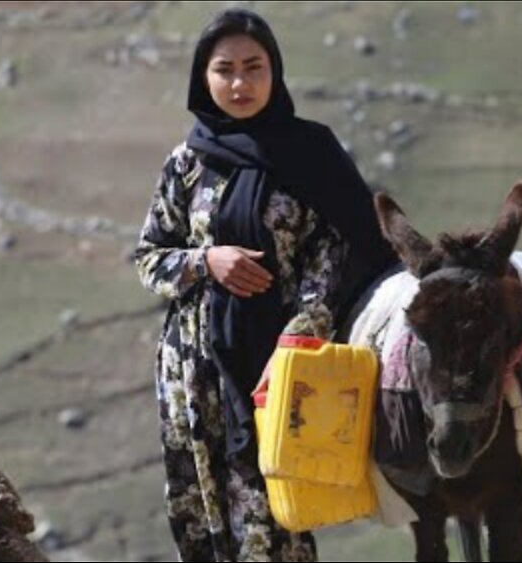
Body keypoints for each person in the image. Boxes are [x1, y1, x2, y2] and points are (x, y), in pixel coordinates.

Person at [134, 8, 394, 561]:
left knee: (277, 515)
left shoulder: (311, 154)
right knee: (201, 513)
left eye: (253, 67)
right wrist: (207, 261)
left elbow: (342, 251)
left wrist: (297, 341)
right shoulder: (186, 163)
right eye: (224, 69)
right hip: (193, 369)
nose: (239, 82)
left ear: (275, 72)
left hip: (279, 366)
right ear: (203, 78)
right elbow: (149, 258)